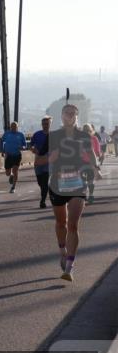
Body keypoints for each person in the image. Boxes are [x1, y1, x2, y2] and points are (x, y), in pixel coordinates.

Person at [43, 104, 98, 282]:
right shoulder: (54, 136)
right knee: (61, 223)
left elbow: (91, 156)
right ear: (61, 115)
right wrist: (53, 156)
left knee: (73, 225)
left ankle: (70, 267)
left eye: (74, 114)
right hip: (58, 184)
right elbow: (39, 160)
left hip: (78, 184)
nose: (71, 116)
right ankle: (62, 251)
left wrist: (94, 169)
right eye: (67, 113)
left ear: (77, 116)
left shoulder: (83, 136)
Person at [29, 116, 52, 209]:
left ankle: (42, 201)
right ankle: (46, 193)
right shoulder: (37, 134)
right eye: (44, 124)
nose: (45, 126)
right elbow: (30, 145)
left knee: (45, 182)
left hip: (49, 162)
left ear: (50, 124)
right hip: (38, 161)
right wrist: (33, 150)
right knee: (40, 182)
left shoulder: (54, 135)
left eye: (47, 124)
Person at [0, 122, 27, 193]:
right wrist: (2, 150)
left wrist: (22, 147)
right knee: (7, 173)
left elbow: (25, 145)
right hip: (8, 155)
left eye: (15, 126)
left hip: (17, 155)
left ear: (17, 127)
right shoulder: (7, 134)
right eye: (12, 126)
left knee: (15, 170)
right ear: (10, 127)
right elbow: (2, 141)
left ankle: (13, 187)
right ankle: (11, 175)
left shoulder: (20, 135)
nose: (13, 127)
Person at [82, 124, 103, 204]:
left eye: (88, 130)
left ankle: (89, 195)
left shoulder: (94, 139)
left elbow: (97, 151)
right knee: (86, 180)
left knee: (88, 180)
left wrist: (98, 155)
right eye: (85, 130)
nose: (87, 132)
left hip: (88, 162)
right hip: (85, 162)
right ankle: (87, 195)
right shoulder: (84, 139)